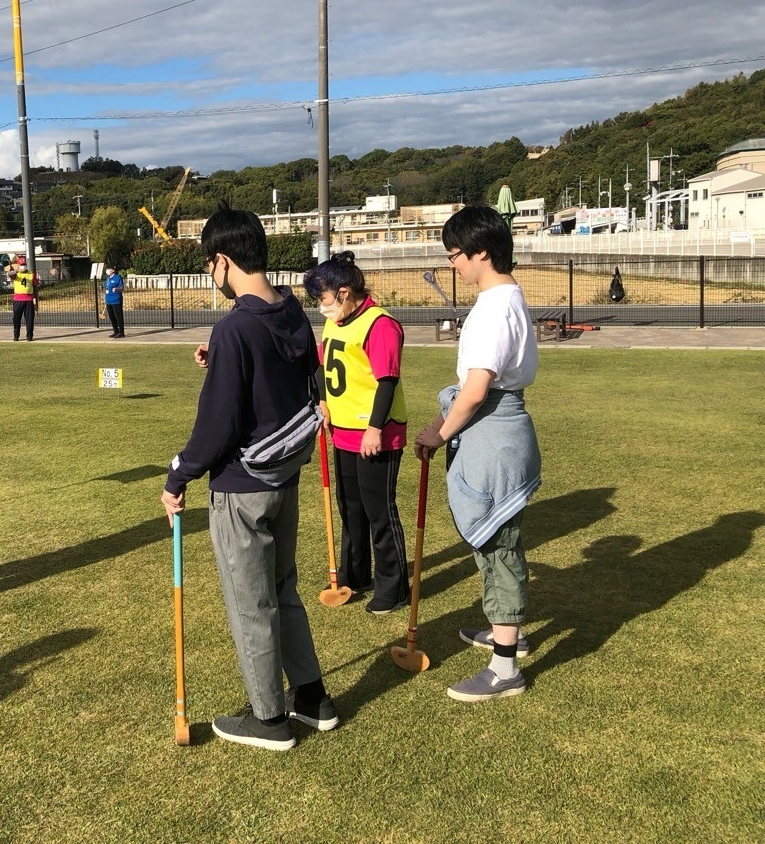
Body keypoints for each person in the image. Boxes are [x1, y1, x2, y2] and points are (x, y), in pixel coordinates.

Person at [162, 205, 335, 751]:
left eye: (209, 267)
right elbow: (293, 380)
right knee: (283, 590)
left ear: (221, 260)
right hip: (285, 477)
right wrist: (222, 357)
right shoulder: (291, 312)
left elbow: (217, 426)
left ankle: (268, 719)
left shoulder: (236, 326)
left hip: (242, 486)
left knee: (250, 602)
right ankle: (312, 698)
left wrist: (178, 475)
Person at [413, 205, 541, 703]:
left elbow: (474, 391)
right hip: (501, 432)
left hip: (495, 438)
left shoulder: (493, 307)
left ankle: (505, 667)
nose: (453, 266)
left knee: (500, 547)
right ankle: (505, 629)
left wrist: (437, 435)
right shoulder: (508, 297)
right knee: (496, 542)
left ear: (481, 252)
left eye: (455, 256)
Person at [303, 251, 410, 615]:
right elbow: (321, 365)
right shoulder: (337, 321)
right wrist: (322, 402)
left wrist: (375, 428)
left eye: (324, 298)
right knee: (351, 509)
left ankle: (394, 587)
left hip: (375, 433)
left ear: (344, 292)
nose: (322, 306)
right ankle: (355, 574)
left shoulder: (380, 324)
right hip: (343, 431)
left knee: (379, 511)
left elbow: (387, 381)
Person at [7, 255, 39, 342]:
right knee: (16, 319)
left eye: (24, 264)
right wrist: (16, 270)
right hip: (18, 300)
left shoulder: (31, 274)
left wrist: (36, 302)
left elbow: (35, 288)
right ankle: (16, 335)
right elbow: (9, 274)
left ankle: (29, 336)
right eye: (21, 264)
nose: (23, 266)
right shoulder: (16, 274)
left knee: (29, 319)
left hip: (29, 299)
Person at [103, 264, 125, 338]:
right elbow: (106, 288)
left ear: (113, 270)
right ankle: (115, 331)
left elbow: (121, 288)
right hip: (109, 301)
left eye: (109, 268)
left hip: (116, 300)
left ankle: (121, 332)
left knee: (118, 317)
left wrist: (116, 289)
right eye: (107, 268)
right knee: (112, 317)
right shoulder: (108, 278)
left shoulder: (117, 277)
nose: (107, 270)